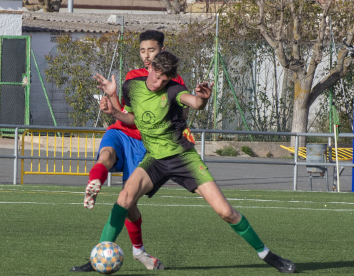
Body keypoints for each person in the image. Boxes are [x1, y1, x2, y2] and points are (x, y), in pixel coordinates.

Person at [98, 51, 297, 273]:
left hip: (182, 158)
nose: (158, 82)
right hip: (154, 158)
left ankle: (267, 255)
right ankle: (97, 256)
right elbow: (134, 120)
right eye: (157, 76)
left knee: (226, 212)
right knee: (124, 199)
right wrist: (114, 111)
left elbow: (194, 102)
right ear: (151, 67)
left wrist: (202, 97)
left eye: (164, 79)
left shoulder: (173, 90)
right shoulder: (131, 87)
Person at [70, 30, 189, 272]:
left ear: (162, 50)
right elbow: (126, 115)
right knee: (105, 155)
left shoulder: (175, 84)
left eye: (152, 50)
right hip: (121, 132)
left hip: (146, 145)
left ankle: (139, 251)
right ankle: (94, 184)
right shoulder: (133, 77)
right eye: (143, 50)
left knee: (128, 202)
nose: (147, 55)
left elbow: (149, 121)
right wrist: (111, 99)